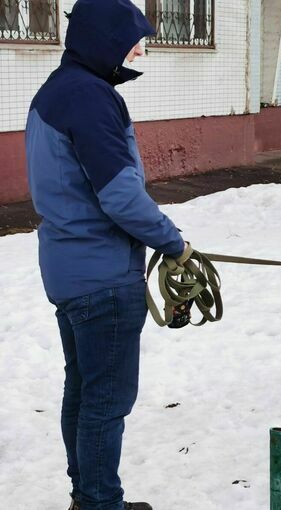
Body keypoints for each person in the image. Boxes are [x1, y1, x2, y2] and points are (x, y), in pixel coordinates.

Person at [25, 1, 186, 508]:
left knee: (84, 392)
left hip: (69, 270)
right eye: (131, 40)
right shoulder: (91, 98)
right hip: (103, 278)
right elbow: (119, 195)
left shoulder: (57, 91)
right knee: (105, 404)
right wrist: (173, 242)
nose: (138, 51)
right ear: (102, 39)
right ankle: (99, 503)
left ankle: (88, 496)